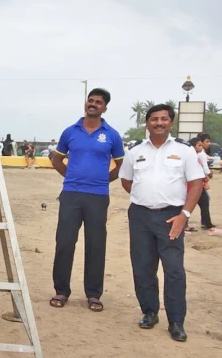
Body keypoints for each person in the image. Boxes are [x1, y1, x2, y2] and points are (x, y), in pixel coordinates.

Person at [118, 104, 205, 342]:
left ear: (171, 123)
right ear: (147, 123)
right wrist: (145, 198)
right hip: (140, 216)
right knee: (143, 267)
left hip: (172, 217)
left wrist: (184, 215)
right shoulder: (135, 150)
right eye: (154, 119)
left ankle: (176, 321)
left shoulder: (185, 150)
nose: (159, 123)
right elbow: (127, 180)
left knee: (174, 270)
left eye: (164, 119)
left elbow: (197, 183)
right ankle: (149, 312)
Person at [49, 88, 124, 312]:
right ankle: (61, 290)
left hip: (98, 197)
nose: (92, 104)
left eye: (98, 102)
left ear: (105, 107)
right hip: (71, 194)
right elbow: (57, 160)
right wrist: (72, 178)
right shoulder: (69, 131)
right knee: (64, 243)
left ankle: (93, 294)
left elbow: (120, 166)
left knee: (96, 244)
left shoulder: (111, 134)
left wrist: (101, 181)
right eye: (90, 100)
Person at [189, 135, 222, 236]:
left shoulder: (197, 154)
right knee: (202, 202)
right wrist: (207, 178)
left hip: (196, 183)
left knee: (202, 202)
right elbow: (203, 169)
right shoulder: (201, 155)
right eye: (207, 142)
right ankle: (208, 225)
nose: (209, 144)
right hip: (196, 184)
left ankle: (205, 223)